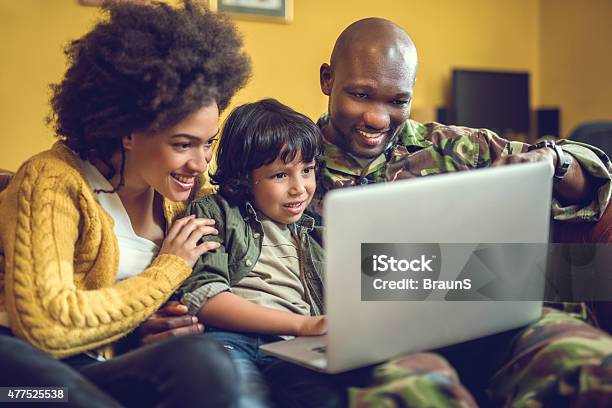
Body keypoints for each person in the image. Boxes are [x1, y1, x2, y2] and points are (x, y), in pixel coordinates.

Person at [310, 18, 612, 407]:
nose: (378, 118)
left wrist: (553, 159)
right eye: (361, 95)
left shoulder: (456, 148)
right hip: (388, 347)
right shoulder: (288, 166)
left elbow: (594, 188)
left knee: (595, 365)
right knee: (416, 395)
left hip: (496, 323)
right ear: (327, 80)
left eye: (397, 101)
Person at [0, 1, 250, 407]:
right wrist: (168, 271)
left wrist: (147, 332)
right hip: (25, 381)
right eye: (182, 144)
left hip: (96, 374)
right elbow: (47, 322)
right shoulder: (53, 182)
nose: (200, 162)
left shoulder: (179, 199)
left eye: (209, 143)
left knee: (202, 361)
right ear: (127, 130)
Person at [174, 99, 344, 408]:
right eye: (280, 175)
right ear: (243, 175)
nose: (300, 188)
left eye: (307, 170)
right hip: (230, 340)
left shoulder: (315, 231)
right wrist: (302, 325)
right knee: (242, 399)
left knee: (326, 400)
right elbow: (204, 297)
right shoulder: (214, 212)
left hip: (296, 349)